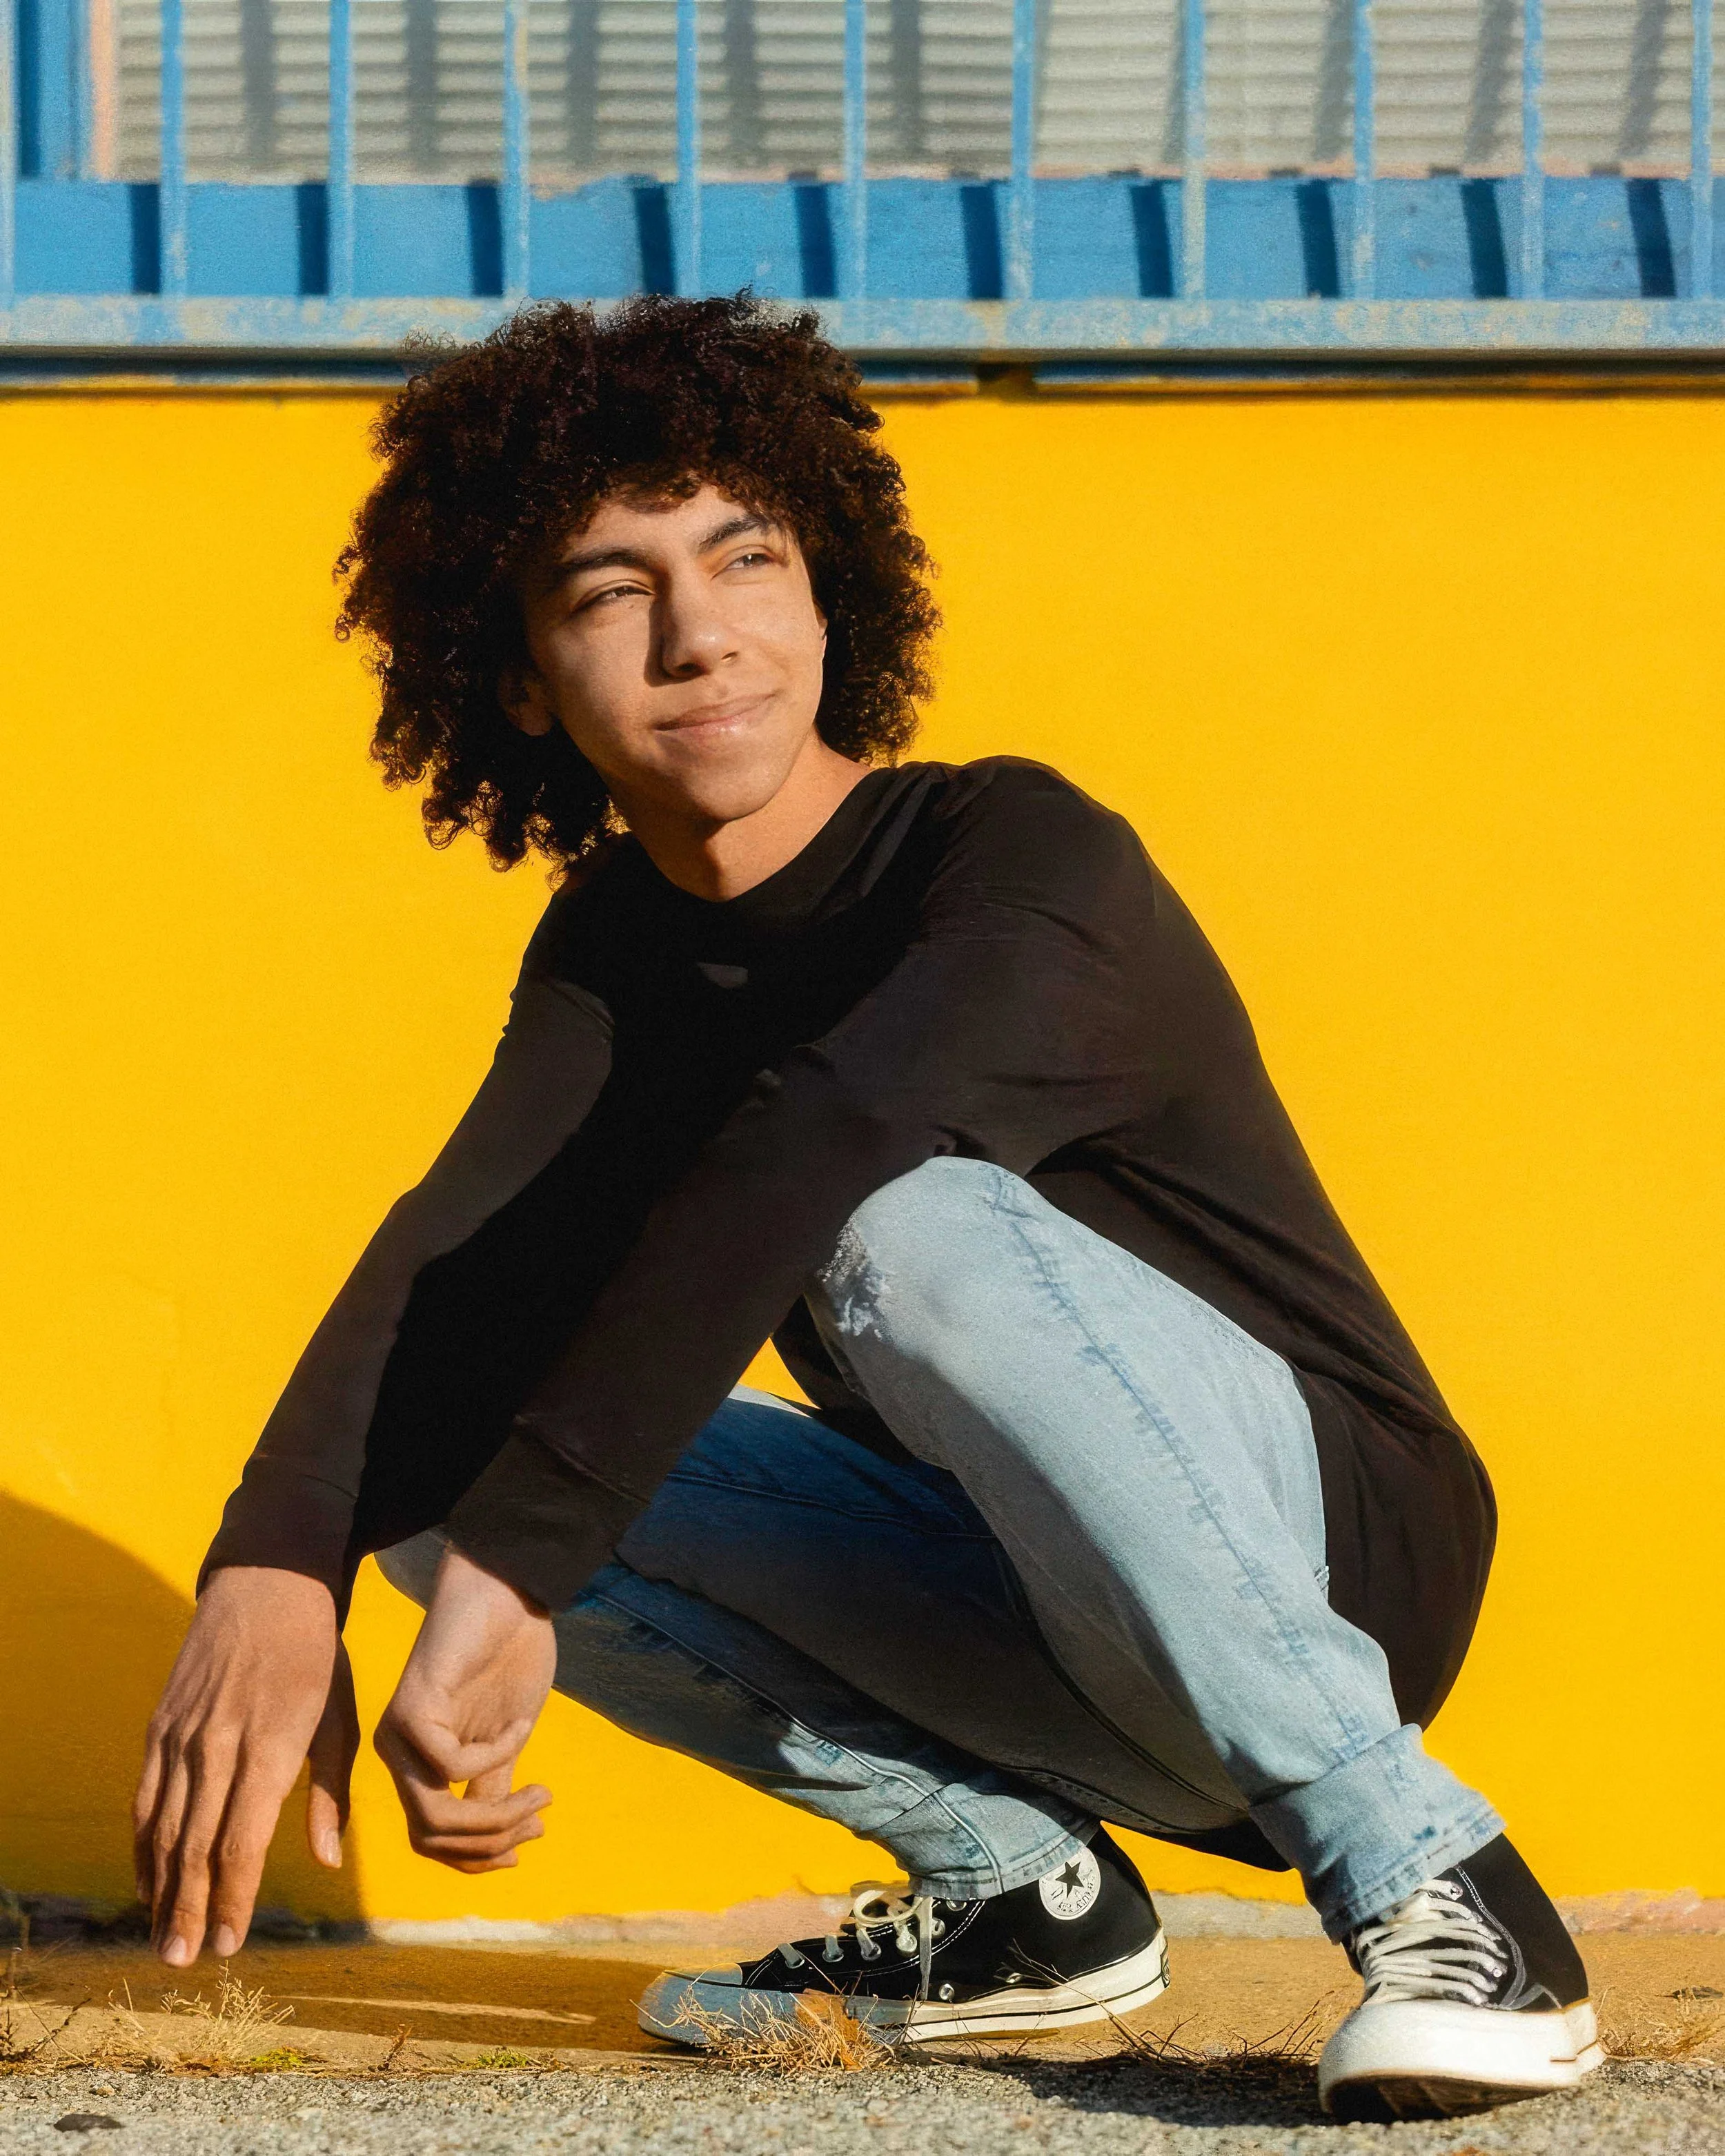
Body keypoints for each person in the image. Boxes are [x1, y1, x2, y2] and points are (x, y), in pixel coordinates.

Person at [132, 295, 1598, 2123]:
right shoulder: (617, 949)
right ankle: (1016, 1900)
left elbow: (830, 1130)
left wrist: (531, 1564)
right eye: (608, 591)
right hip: (1034, 1609)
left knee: (897, 1221)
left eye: (742, 556)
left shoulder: (1016, 855)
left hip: (1335, 1560)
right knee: (431, 1481)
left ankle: (1444, 1884)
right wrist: (280, 1564)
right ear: (517, 679)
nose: (697, 635)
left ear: (827, 592)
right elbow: (461, 1244)